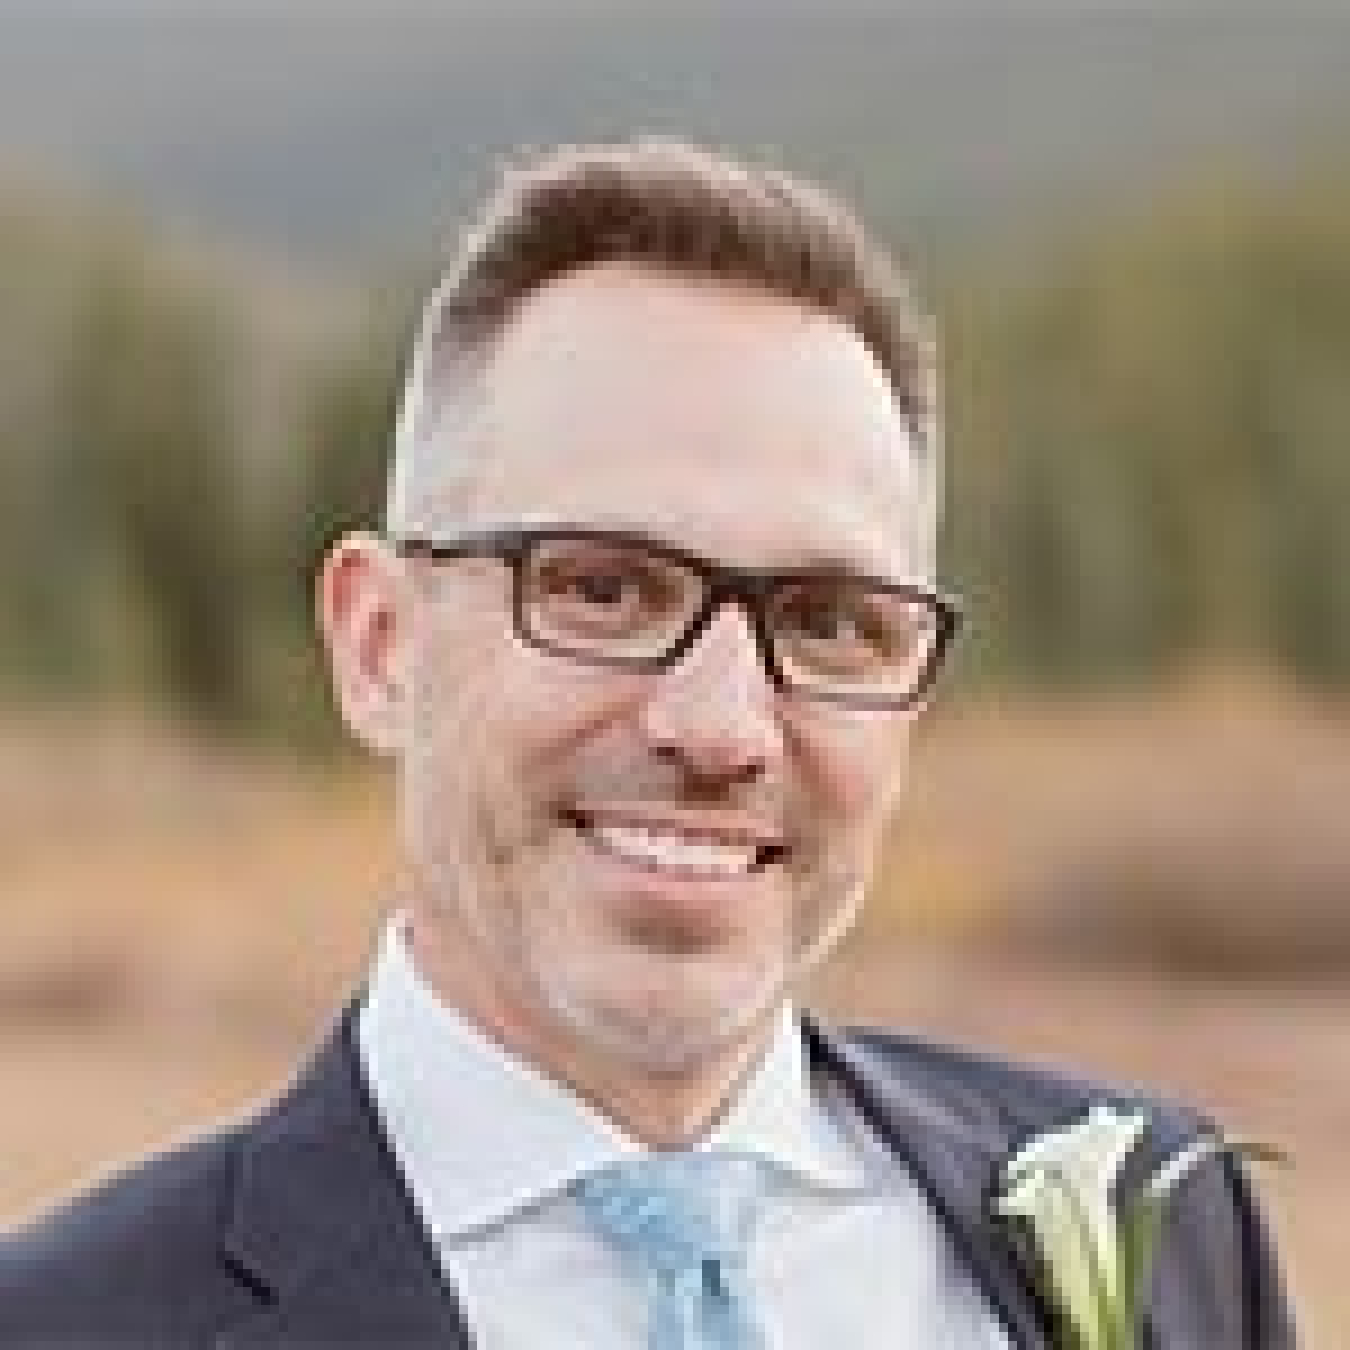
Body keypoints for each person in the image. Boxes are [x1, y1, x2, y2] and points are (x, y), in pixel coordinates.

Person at [0, 138, 1294, 1349]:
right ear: (380, 643)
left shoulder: (1162, 1221)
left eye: (830, 619)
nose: (722, 727)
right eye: (606, 588)